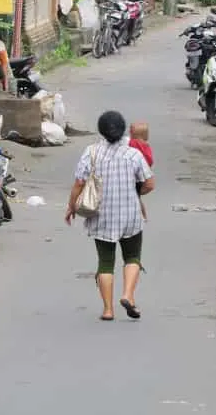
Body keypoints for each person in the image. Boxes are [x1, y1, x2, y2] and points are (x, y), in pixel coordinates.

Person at [66, 110, 155, 321]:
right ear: (123, 130)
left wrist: (71, 207)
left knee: (105, 262)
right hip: (131, 215)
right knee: (132, 257)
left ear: (102, 131)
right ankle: (128, 295)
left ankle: (108, 310)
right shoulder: (133, 154)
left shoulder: (92, 152)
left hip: (101, 216)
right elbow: (150, 183)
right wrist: (135, 192)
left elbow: (79, 183)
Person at [128, 122, 154, 221]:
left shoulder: (133, 143)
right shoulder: (146, 145)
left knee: (136, 197)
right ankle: (143, 216)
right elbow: (150, 160)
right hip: (143, 175)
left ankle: (142, 216)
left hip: (135, 175)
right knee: (137, 197)